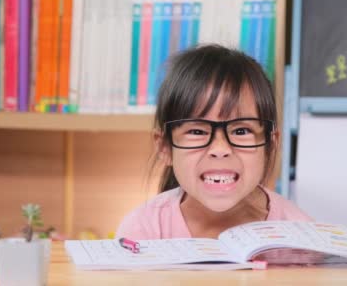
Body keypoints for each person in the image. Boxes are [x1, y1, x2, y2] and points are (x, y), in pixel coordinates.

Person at [116, 45, 312, 240]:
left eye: (241, 131)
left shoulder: (301, 237)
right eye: (197, 131)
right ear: (165, 147)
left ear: (271, 145)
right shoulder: (142, 231)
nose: (220, 149)